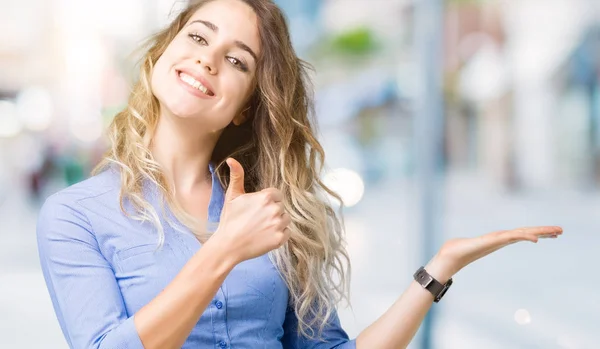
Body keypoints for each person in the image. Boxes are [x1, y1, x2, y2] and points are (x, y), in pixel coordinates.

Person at [35, 0, 563, 348]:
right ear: (159, 57)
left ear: (245, 107)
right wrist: (223, 252)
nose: (208, 60)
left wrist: (436, 272)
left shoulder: (269, 214)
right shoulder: (75, 216)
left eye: (238, 61)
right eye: (197, 38)